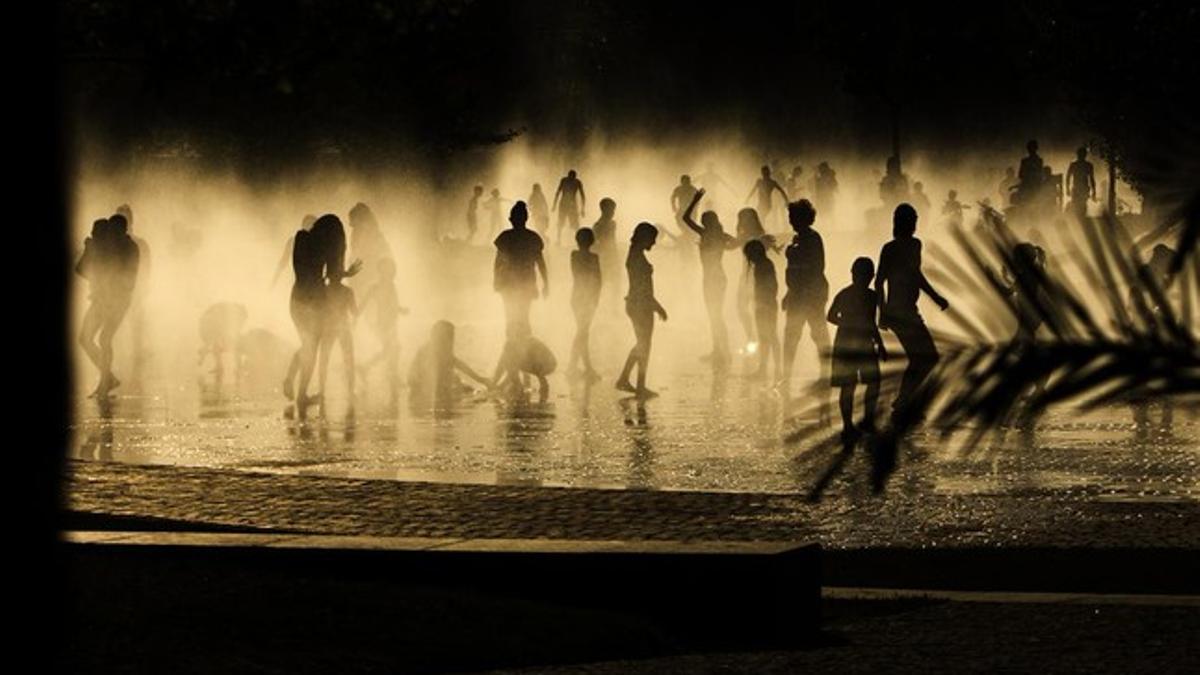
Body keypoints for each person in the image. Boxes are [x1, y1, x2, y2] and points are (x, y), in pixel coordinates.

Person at [876, 203, 949, 422]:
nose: (915, 224)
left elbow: (906, 277)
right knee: (927, 358)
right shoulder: (902, 247)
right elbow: (884, 281)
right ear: (905, 223)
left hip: (905, 310)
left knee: (920, 358)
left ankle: (904, 399)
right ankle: (905, 399)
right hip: (902, 312)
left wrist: (883, 311)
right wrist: (883, 311)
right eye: (912, 220)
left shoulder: (906, 246)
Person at [76, 215, 140, 398]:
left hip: (119, 300)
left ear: (121, 230)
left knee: (105, 339)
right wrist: (90, 250)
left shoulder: (129, 247)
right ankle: (108, 377)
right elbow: (82, 270)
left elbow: (125, 276)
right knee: (84, 338)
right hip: (101, 299)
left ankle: (105, 381)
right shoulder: (111, 247)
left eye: (113, 231)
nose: (111, 235)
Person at [827, 257, 888, 444]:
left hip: (849, 342)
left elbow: (832, 316)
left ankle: (858, 422)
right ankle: (857, 422)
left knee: (858, 384)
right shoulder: (868, 296)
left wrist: (879, 343)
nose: (861, 278)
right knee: (863, 383)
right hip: (857, 343)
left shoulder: (850, 294)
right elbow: (831, 316)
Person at [682, 188, 739, 369]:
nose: (703, 222)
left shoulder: (706, 234)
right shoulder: (719, 235)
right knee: (714, 316)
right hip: (715, 278)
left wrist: (695, 200)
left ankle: (724, 352)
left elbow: (685, 219)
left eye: (705, 220)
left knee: (716, 316)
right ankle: (718, 351)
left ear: (709, 222)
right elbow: (736, 244)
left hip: (713, 279)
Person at [780, 200, 831, 404]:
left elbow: (817, 268)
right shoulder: (798, 238)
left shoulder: (812, 238)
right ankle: (786, 376)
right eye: (790, 217)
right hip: (797, 293)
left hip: (811, 293)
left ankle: (827, 375)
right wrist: (789, 293)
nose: (791, 221)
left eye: (794, 217)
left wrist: (803, 293)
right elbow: (793, 270)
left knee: (817, 333)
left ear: (804, 218)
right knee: (791, 335)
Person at [616, 223, 668, 398]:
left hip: (638, 303)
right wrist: (657, 306)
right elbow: (642, 288)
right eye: (652, 239)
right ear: (644, 237)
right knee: (644, 345)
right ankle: (638, 386)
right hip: (641, 304)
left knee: (642, 344)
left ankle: (627, 380)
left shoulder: (635, 254)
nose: (653, 244)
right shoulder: (636, 257)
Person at [358, 257, 410, 412]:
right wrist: (356, 314)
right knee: (392, 349)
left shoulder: (391, 286)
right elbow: (365, 301)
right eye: (387, 269)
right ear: (381, 271)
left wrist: (401, 310)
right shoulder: (376, 287)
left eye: (392, 270)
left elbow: (393, 304)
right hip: (383, 323)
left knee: (393, 349)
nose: (391, 272)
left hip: (392, 322)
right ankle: (381, 372)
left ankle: (383, 372)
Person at [408, 321, 492, 408]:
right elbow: (419, 377)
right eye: (450, 335)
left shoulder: (441, 348)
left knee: (461, 385)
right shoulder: (428, 350)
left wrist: (480, 379)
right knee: (457, 386)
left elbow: (458, 364)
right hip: (420, 389)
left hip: (429, 388)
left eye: (451, 335)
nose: (451, 339)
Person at [744, 240, 780, 381]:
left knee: (770, 336)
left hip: (766, 305)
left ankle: (775, 368)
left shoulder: (764, 265)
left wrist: (765, 302)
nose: (748, 258)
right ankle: (766, 368)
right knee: (766, 337)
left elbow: (772, 286)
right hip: (764, 304)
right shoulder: (763, 264)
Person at [568, 227, 601, 381]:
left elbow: (580, 275)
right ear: (592, 241)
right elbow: (598, 279)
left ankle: (574, 366)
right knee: (583, 332)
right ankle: (583, 367)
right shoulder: (594, 257)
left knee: (582, 332)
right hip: (587, 297)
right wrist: (596, 297)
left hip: (577, 296)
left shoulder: (574, 255)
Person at [494, 335, 558, 403]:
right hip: (549, 364)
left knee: (511, 360)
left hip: (544, 364)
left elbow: (510, 366)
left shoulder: (513, 345)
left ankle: (518, 386)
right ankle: (519, 385)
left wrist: (498, 384)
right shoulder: (522, 341)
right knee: (511, 360)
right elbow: (510, 367)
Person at [591, 197, 621, 310]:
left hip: (612, 256)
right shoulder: (598, 226)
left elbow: (612, 241)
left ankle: (614, 307)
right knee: (600, 284)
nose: (613, 213)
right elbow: (593, 243)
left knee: (616, 284)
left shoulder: (612, 224)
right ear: (604, 210)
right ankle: (594, 306)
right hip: (603, 258)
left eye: (613, 210)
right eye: (612, 210)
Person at [553, 169, 586, 245]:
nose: (571, 179)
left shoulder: (577, 182)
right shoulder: (565, 181)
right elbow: (558, 192)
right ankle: (558, 240)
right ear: (568, 176)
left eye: (572, 177)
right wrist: (554, 205)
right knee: (561, 223)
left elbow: (582, 196)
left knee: (575, 224)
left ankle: (578, 241)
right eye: (570, 177)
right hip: (565, 204)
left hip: (571, 205)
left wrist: (583, 209)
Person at [1066, 146, 1096, 221]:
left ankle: (1080, 220)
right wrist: (1067, 188)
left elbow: (1091, 178)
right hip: (1079, 188)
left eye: (1082, 154)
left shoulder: (1076, 165)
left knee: (1081, 205)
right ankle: (1079, 220)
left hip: (1081, 188)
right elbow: (1068, 177)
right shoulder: (1085, 165)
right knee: (1079, 205)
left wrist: (1094, 191)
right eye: (1081, 154)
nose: (1082, 156)